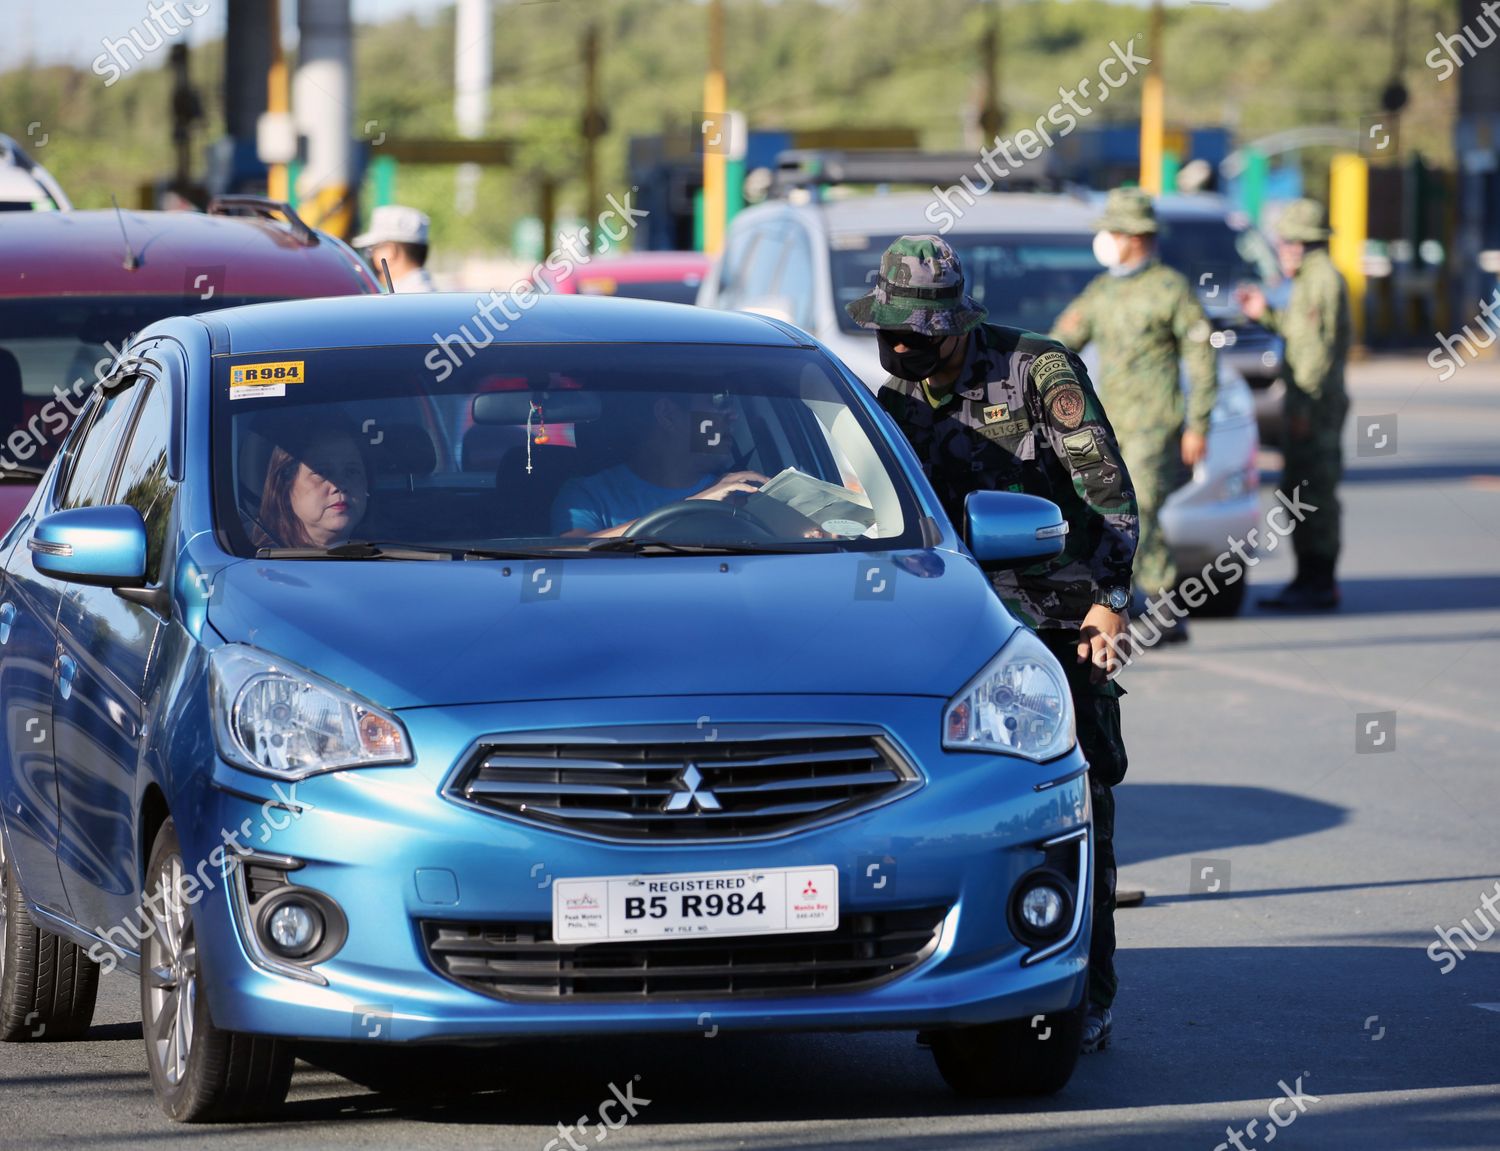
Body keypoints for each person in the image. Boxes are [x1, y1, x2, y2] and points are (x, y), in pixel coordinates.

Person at [847, 235, 1138, 1054]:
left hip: (1057, 617)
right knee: (953, 810)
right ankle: (953, 984)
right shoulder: (894, 398)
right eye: (891, 331)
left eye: (919, 333)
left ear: (955, 325)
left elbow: (1108, 491)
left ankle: (1086, 997)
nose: (903, 347)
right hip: (959, 630)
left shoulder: (1038, 371)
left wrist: (1110, 604)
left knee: (1080, 809)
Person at [1052, 187, 1217, 643]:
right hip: (1110, 426)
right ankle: (1123, 597)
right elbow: (1060, 343)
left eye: (1113, 231)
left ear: (1136, 236)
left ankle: (1163, 603)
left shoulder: (1171, 289)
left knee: (1141, 505)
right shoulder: (1102, 291)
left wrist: (1198, 424)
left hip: (1156, 424)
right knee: (1107, 510)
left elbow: (1202, 359)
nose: (1105, 240)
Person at [1235, 199, 1350, 611]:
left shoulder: (1321, 281)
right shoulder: (1308, 281)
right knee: (1299, 490)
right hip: (1308, 401)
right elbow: (1300, 334)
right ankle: (1308, 580)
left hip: (1313, 404)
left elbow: (1315, 353)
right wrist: (1265, 313)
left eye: (1286, 241)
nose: (1282, 249)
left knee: (1313, 492)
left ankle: (1317, 583)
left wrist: (1302, 411)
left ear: (1302, 243)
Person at [551, 393, 767, 537]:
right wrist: (694, 505)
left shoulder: (742, 496)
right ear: (668, 415)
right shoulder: (588, 496)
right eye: (718, 401)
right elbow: (567, 557)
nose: (734, 415)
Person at [250, 424, 369, 549]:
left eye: (351, 471)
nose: (340, 486)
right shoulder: (254, 562)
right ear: (286, 487)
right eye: (323, 473)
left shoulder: (388, 556)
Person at [352, 204, 437, 293]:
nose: (372, 256)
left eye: (372, 249)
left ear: (390, 251)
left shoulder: (401, 299)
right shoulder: (430, 292)